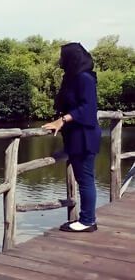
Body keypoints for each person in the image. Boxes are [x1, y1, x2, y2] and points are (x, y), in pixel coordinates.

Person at [42, 42, 102, 233]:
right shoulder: (73, 77)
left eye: (62, 57)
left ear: (72, 58)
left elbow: (88, 109)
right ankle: (86, 219)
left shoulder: (84, 78)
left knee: (85, 179)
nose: (60, 60)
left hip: (84, 137)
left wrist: (62, 120)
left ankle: (87, 221)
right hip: (77, 136)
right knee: (83, 178)